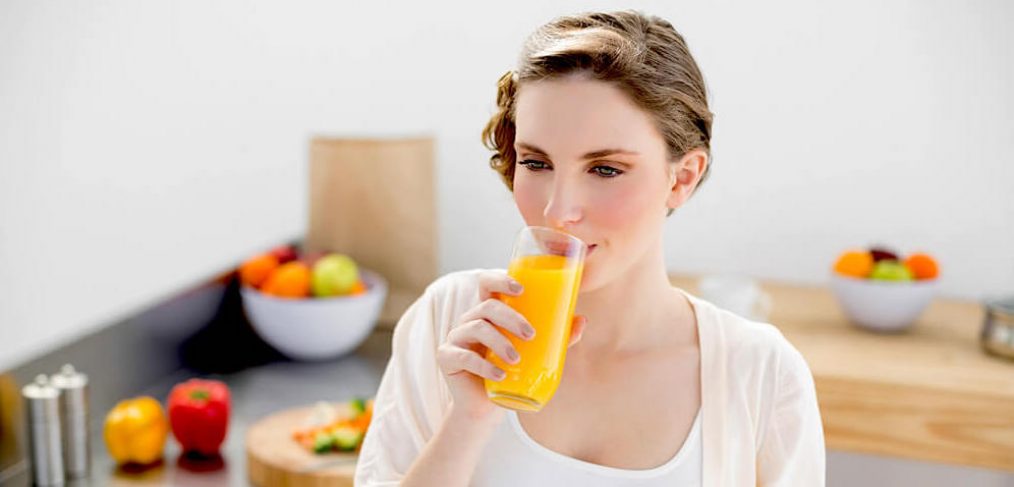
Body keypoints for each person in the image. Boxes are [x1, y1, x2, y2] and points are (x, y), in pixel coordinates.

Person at [355, 10, 825, 486]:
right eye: (536, 163)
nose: (559, 211)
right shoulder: (450, 322)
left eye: (605, 170)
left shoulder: (761, 374)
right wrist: (469, 421)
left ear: (682, 178)